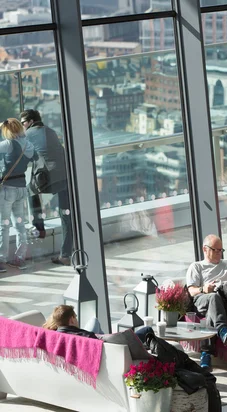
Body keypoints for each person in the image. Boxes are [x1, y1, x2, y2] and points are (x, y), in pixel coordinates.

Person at [186, 234, 227, 369]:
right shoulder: (197, 267)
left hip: (226, 304)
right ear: (205, 249)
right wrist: (204, 288)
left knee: (212, 311)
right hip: (202, 300)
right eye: (216, 250)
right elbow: (191, 291)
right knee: (213, 297)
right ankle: (222, 329)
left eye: (221, 250)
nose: (219, 253)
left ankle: (206, 354)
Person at [20, 109, 72, 266]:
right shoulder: (51, 131)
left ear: (29, 122)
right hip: (66, 175)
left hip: (47, 177)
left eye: (22, 123)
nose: (22, 127)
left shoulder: (28, 135)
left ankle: (39, 227)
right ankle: (65, 255)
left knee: (30, 190)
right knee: (66, 217)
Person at [0, 119, 36, 272]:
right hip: (22, 188)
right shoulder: (29, 145)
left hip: (8, 189)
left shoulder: (9, 144)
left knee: (4, 225)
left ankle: (1, 260)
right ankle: (19, 258)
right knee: (20, 224)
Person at [42, 304, 151, 342]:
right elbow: (109, 342)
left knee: (95, 322)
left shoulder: (53, 336)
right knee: (147, 330)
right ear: (71, 320)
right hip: (118, 348)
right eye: (75, 317)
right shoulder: (88, 337)